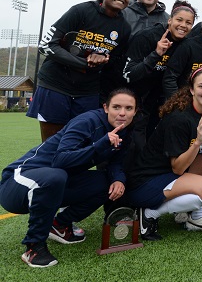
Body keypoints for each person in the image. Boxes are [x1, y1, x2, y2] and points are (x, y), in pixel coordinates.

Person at [1, 88, 137, 268]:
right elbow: (60, 159)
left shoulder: (123, 132)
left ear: (135, 112)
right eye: (116, 107)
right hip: (17, 183)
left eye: (128, 108)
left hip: (56, 182)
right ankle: (33, 246)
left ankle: (59, 225)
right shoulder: (87, 121)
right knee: (56, 175)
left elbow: (115, 164)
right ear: (105, 108)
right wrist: (100, 143)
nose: (122, 113)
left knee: (106, 183)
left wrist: (118, 180)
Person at [124, 68, 202, 240]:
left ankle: (196, 219)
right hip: (147, 181)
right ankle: (149, 213)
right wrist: (198, 142)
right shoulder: (179, 119)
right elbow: (178, 168)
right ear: (191, 89)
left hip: (171, 172)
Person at [28, 0, 133, 141]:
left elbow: (115, 62)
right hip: (55, 85)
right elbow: (46, 45)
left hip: (88, 92)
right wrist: (84, 62)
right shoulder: (81, 11)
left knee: (79, 144)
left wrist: (103, 58)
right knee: (51, 144)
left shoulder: (124, 28)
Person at [123, 0, 197, 147]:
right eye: (179, 20)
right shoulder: (147, 36)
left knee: (154, 144)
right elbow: (128, 75)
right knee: (134, 145)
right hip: (137, 98)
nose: (183, 25)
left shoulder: (187, 44)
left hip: (162, 101)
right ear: (169, 20)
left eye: (188, 23)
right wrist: (156, 54)